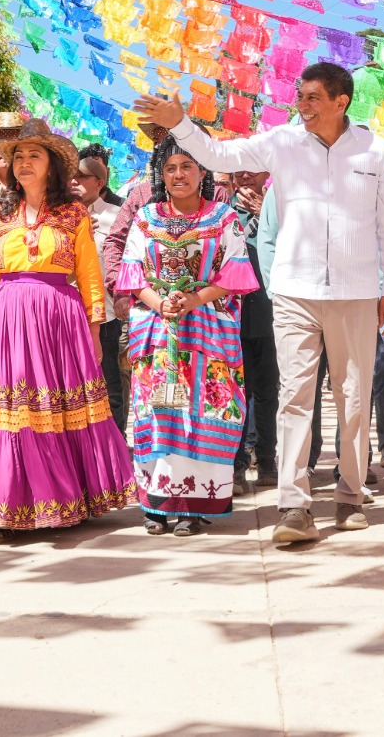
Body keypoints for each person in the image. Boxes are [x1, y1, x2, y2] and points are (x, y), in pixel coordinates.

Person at [135, 62, 384, 544]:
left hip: (357, 291)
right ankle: (294, 506)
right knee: (294, 397)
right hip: (294, 292)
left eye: (312, 98)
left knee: (354, 397)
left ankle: (349, 495)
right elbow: (217, 153)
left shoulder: (375, 150)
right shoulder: (281, 142)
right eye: (299, 96)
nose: (300, 105)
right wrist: (179, 122)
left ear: (342, 101)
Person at [0, 119, 135, 537]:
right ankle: (9, 508)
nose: (23, 162)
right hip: (4, 322)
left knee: (56, 410)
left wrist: (94, 332)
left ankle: (67, 500)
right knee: (12, 413)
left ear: (53, 165)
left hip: (58, 322)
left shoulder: (73, 213)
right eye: (17, 156)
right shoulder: (0, 213)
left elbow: (90, 274)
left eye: (33, 155)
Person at [115, 136, 258, 534]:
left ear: (202, 172)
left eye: (187, 166)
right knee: (158, 413)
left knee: (203, 414)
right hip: (158, 333)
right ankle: (157, 505)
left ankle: (196, 507)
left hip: (208, 333)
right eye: (170, 168)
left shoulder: (224, 218)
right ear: (161, 176)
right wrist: (160, 304)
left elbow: (236, 276)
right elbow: (131, 273)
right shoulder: (145, 218)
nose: (178, 175)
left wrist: (193, 300)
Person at [228, 169, 279, 493]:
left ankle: (268, 462)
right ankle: (236, 467)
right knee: (236, 395)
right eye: (239, 169)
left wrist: (266, 213)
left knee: (268, 395)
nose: (245, 174)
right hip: (231, 318)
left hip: (270, 315)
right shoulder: (220, 211)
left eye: (253, 167)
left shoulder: (278, 206)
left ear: (266, 173)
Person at [72, 144, 128, 435]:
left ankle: (116, 446)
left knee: (109, 386)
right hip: (68, 314)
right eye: (72, 177)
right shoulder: (58, 215)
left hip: (104, 315)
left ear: (100, 182)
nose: (75, 182)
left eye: (82, 177)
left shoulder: (118, 215)